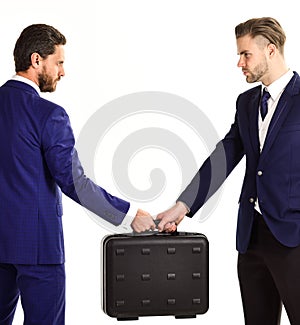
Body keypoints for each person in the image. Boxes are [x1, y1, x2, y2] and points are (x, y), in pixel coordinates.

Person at [0, 24, 156, 325]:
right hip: (37, 248)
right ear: (36, 61)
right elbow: (74, 181)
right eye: (58, 62)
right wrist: (129, 215)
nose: (62, 71)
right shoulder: (48, 114)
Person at [157, 17, 300, 324]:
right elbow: (226, 154)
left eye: (245, 54)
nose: (239, 63)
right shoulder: (247, 103)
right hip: (252, 238)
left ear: (271, 50)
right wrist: (183, 206)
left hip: (294, 238)